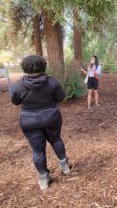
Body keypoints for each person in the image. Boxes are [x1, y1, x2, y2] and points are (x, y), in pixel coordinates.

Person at [10, 55, 70, 190]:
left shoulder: (18, 85)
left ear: (25, 67)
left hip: (29, 121)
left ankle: (43, 180)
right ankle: (65, 167)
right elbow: (60, 97)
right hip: (51, 118)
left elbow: (15, 102)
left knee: (38, 150)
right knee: (56, 140)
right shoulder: (52, 82)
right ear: (43, 66)